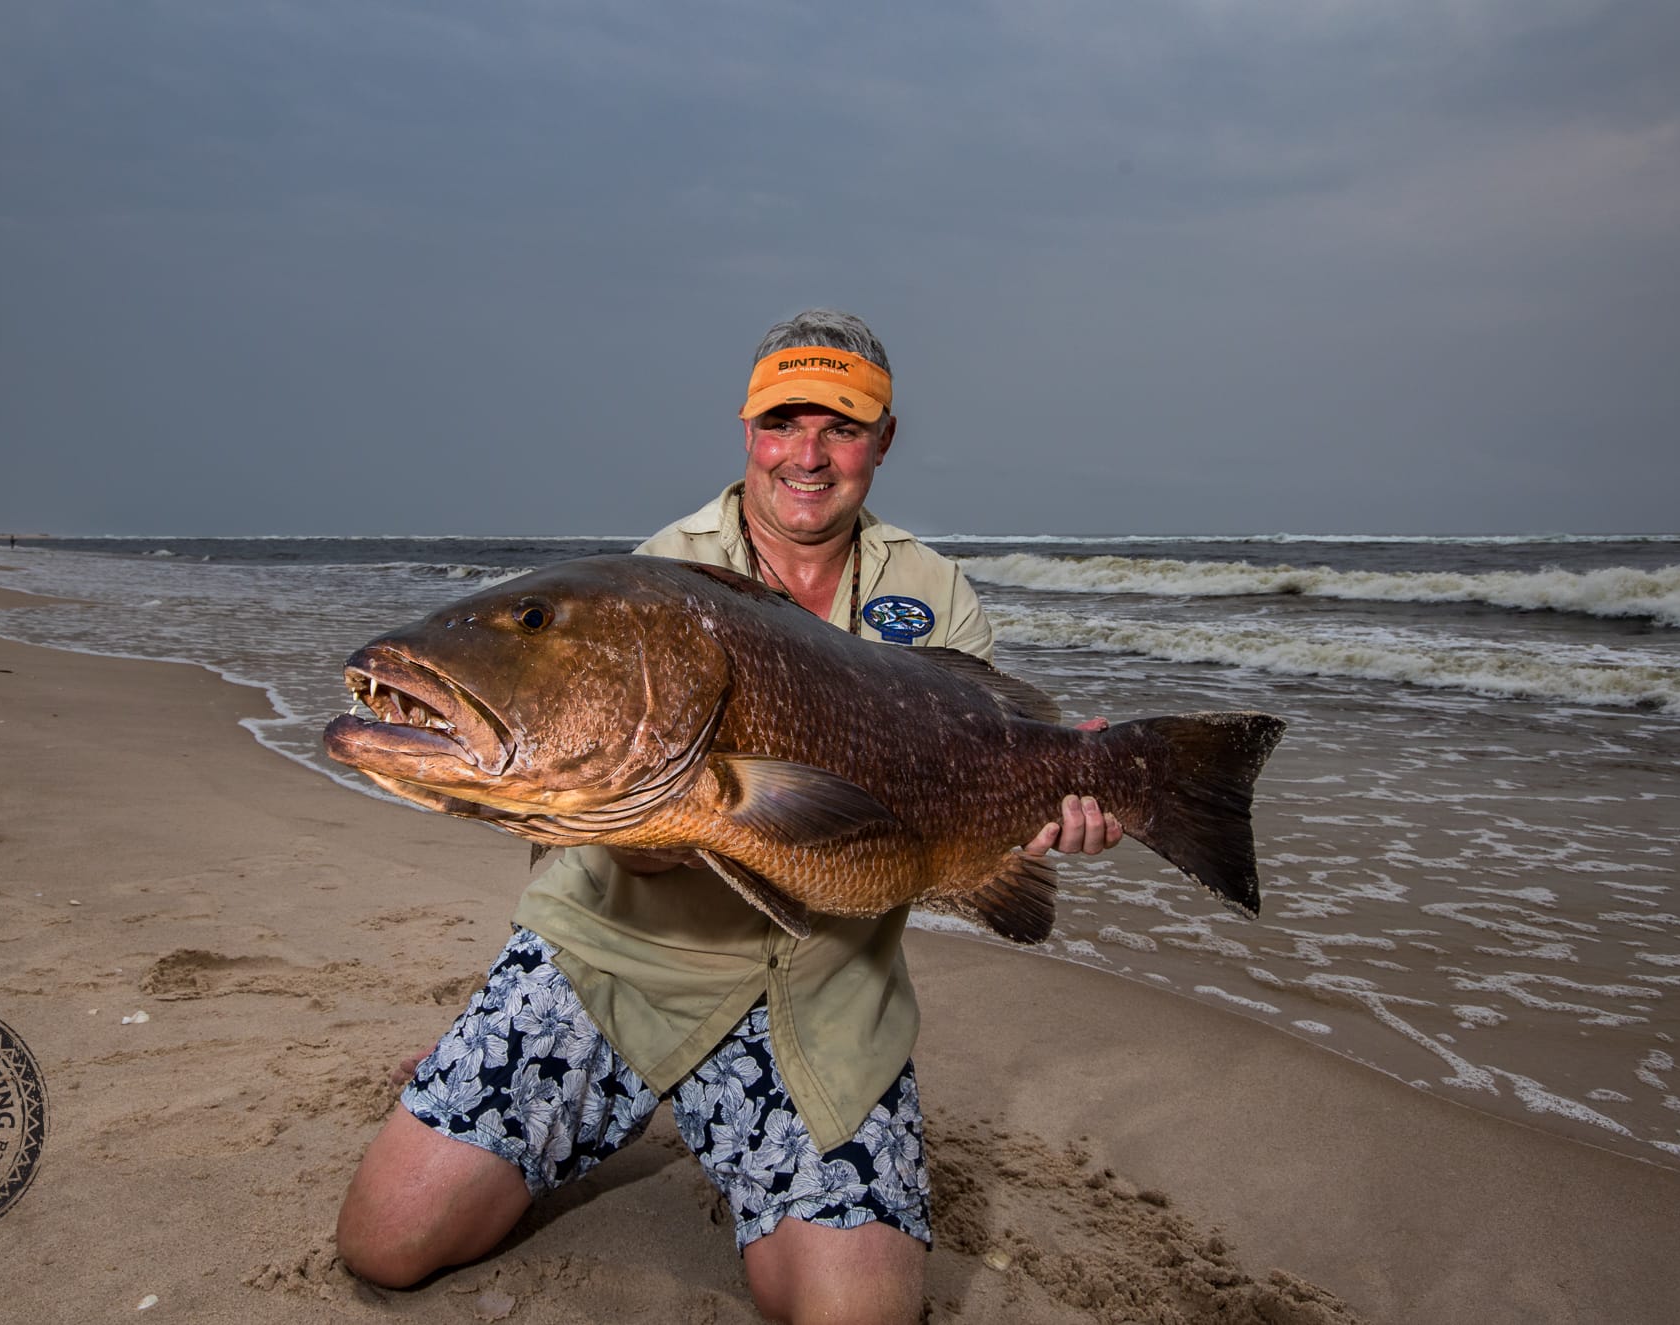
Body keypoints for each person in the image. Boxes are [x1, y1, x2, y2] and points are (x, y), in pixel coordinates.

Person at [335, 309, 1123, 1324]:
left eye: (839, 427)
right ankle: (547, 1092)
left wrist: (1048, 814)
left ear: (881, 442)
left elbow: (960, 790)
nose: (806, 454)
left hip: (821, 986)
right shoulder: (658, 573)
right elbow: (590, 806)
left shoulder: (931, 594)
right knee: (387, 1238)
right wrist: (663, 810)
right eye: (781, 421)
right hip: (617, 954)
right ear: (745, 429)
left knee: (856, 1314)